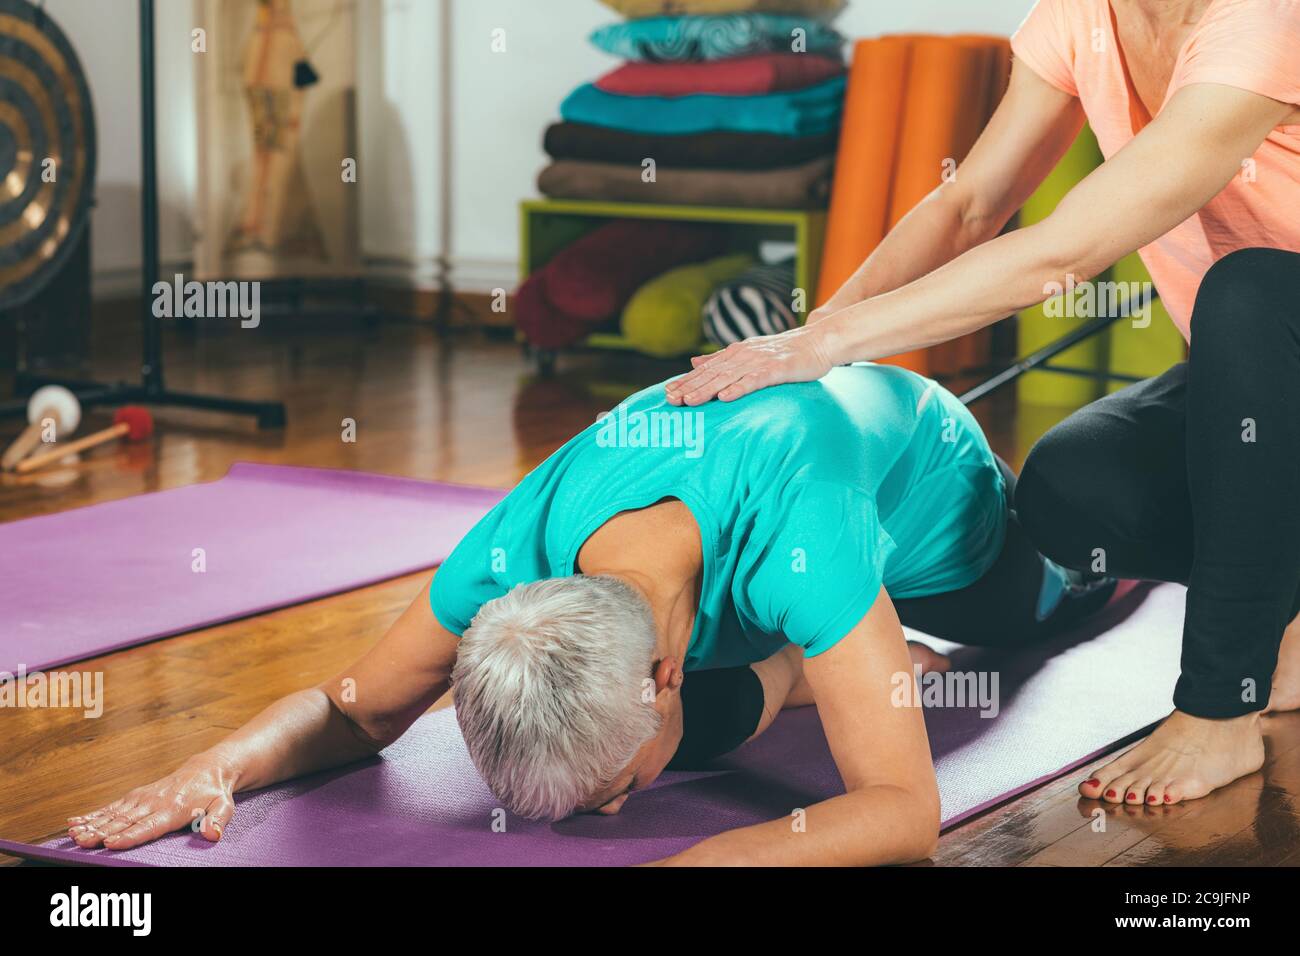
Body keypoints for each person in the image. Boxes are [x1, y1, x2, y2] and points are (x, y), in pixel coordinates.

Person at [66, 364, 1105, 866]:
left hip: (947, 521)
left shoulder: (809, 527)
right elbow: (352, 710)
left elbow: (902, 811)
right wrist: (218, 765)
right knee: (696, 737)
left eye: (608, 792)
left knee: (1068, 588)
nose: (611, 812)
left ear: (665, 671)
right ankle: (828, 666)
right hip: (777, 573)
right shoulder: (512, 553)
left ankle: (1104, 552)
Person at [664, 0, 1300, 808]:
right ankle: (1284, 610)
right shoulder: (1085, 15)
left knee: (1247, 293)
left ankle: (1220, 706)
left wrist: (820, 346)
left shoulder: (1270, 16)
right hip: (1271, 383)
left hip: (1274, 337)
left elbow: (1068, 249)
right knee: (1072, 486)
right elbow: (969, 206)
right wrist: (810, 346)